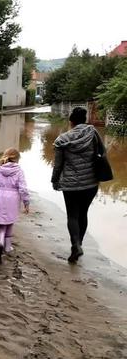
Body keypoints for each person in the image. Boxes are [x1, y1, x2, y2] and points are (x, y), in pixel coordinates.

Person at [51, 107, 102, 263]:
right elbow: (101, 153)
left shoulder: (62, 140)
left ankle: (75, 246)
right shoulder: (93, 133)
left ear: (71, 121)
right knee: (83, 213)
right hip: (90, 182)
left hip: (71, 184)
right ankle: (79, 243)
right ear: (84, 119)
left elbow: (58, 165)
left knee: (72, 215)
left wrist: (54, 180)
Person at [0, 147, 30, 262]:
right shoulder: (19, 170)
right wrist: (26, 202)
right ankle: (8, 246)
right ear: (17, 159)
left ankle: (0, 242)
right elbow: (23, 188)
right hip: (13, 198)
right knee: (9, 222)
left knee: (1, 222)